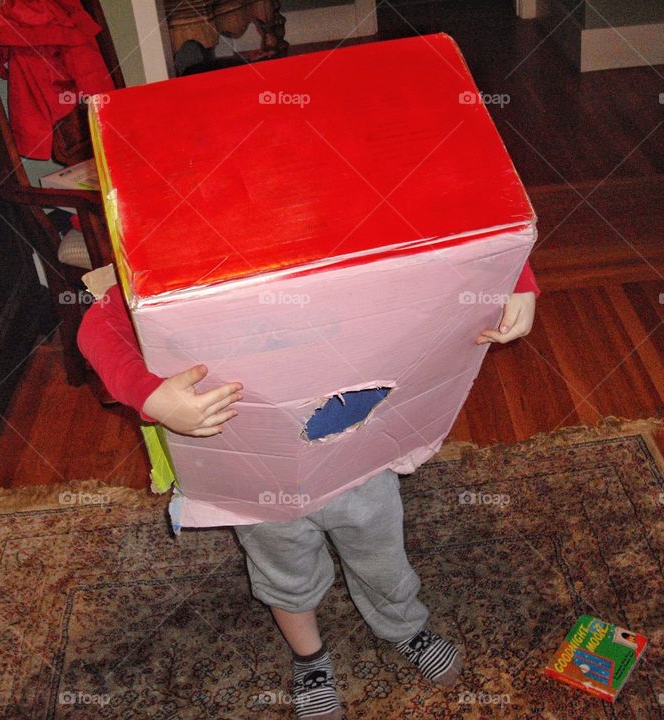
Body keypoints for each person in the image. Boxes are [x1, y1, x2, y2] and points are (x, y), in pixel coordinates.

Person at [78, 261, 539, 719]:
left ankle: (403, 628)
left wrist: (515, 280)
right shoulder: (185, 255)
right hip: (257, 475)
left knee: (381, 553)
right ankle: (309, 657)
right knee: (285, 570)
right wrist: (150, 394)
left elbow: (465, 226)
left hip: (356, 457)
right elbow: (101, 324)